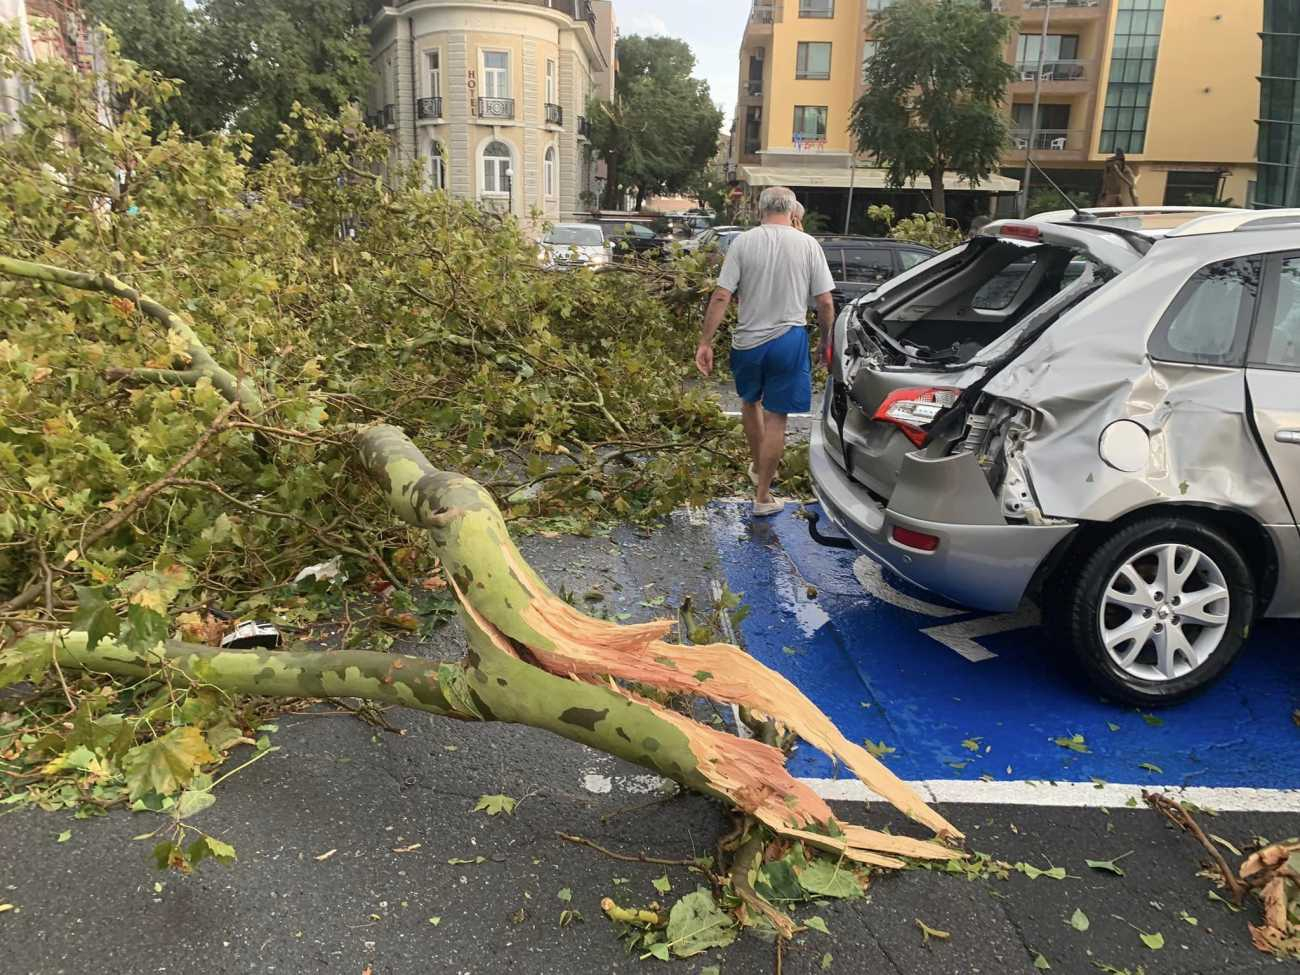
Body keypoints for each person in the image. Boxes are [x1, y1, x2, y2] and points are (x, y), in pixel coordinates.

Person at [695, 186, 836, 517]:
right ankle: (762, 495)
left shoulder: (743, 242)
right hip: (789, 338)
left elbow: (721, 296)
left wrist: (705, 341)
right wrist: (825, 339)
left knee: (750, 403)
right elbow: (826, 302)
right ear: (794, 212)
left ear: (760, 210)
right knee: (778, 418)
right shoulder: (808, 244)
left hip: (747, 342)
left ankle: (759, 467)